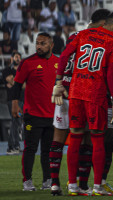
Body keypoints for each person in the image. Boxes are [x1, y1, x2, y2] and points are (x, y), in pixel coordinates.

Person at [52, 12, 113, 196]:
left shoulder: (83, 34)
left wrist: (59, 82)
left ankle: (72, 186)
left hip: (76, 92)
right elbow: (109, 73)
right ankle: (98, 186)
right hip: (95, 94)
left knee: (75, 137)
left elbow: (64, 56)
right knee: (97, 138)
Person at [11, 32, 59, 191]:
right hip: (33, 115)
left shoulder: (59, 62)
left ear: (51, 45)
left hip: (52, 115)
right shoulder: (27, 63)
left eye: (43, 43)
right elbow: (17, 85)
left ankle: (47, 180)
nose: (38, 46)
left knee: (48, 150)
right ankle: (27, 181)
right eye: (37, 43)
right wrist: (15, 104)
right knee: (30, 148)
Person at [2, 52, 23, 155]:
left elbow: (23, 85)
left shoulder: (22, 71)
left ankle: (16, 145)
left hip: (21, 100)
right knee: (14, 122)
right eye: (16, 57)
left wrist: (14, 82)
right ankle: (11, 147)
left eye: (19, 57)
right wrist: (17, 82)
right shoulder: (7, 70)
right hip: (12, 100)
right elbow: (11, 81)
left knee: (18, 123)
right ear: (11, 58)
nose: (18, 58)